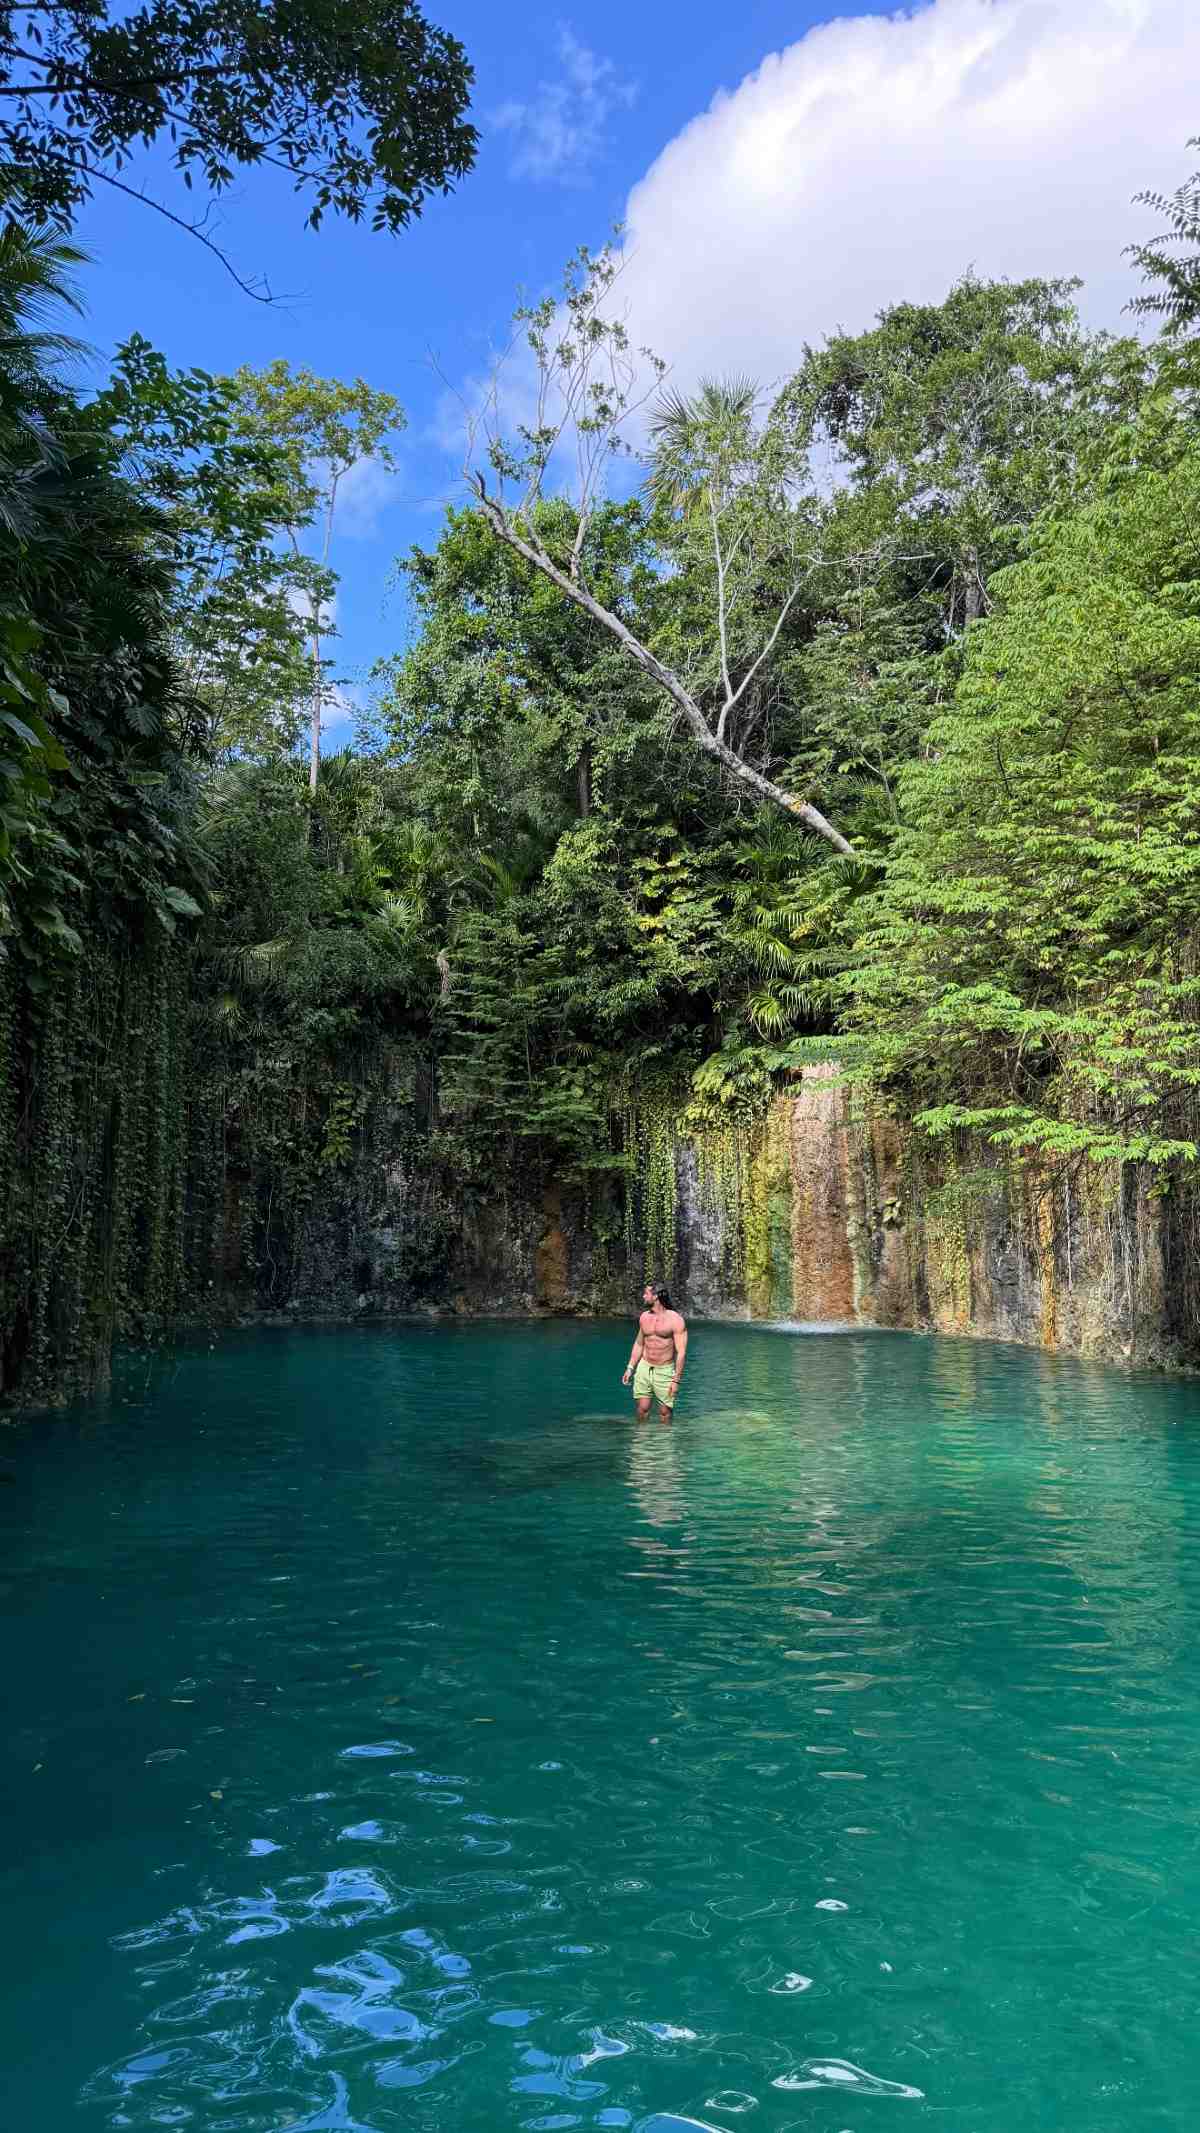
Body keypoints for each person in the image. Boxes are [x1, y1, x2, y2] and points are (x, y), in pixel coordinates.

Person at [622, 1282, 688, 1420]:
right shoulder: (644, 1317)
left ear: (656, 1296)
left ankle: (664, 1441)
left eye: (646, 1293)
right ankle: (641, 1439)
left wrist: (676, 1380)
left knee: (665, 1413)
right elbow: (639, 1344)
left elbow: (681, 1352)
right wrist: (630, 1368)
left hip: (664, 1370)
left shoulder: (675, 1320)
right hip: (644, 1368)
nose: (643, 1296)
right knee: (642, 1409)